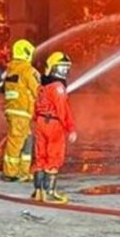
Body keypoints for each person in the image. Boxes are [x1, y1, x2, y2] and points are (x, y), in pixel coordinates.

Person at [31, 51, 77, 204]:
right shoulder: (58, 87)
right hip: (54, 124)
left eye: (66, 68)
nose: (64, 71)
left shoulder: (43, 85)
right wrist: (70, 128)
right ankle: (49, 193)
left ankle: (38, 191)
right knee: (54, 157)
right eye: (61, 68)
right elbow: (63, 109)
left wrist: (36, 121)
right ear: (53, 68)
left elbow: (36, 106)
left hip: (40, 122)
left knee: (40, 156)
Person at [1, 39, 40, 182]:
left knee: (26, 140)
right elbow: (37, 90)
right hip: (22, 111)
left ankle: (22, 172)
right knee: (16, 142)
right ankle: (10, 173)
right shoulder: (28, 70)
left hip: (13, 110)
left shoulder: (11, 68)